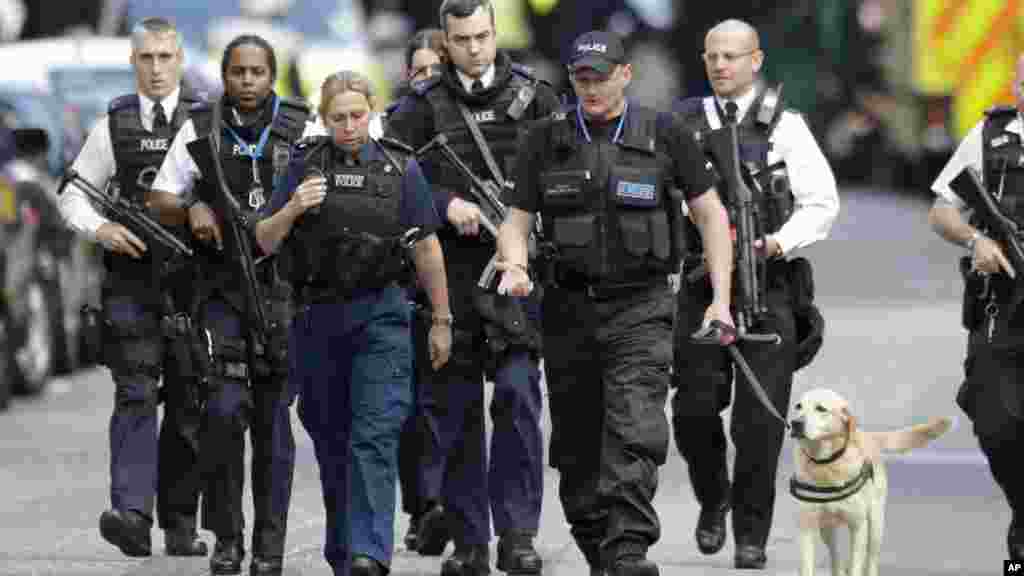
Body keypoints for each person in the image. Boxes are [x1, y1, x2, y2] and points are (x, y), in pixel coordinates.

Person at [496, 29, 735, 576]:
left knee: (634, 426)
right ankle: (598, 545)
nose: (590, 88)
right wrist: (514, 264)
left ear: (625, 74)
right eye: (581, 78)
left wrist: (720, 299)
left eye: (600, 77)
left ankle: (629, 548)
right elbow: (516, 220)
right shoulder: (544, 138)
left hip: (642, 307)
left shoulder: (665, 134)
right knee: (578, 446)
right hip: (567, 309)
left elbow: (711, 216)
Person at [255, 69, 452, 576]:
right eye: (338, 117)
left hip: (382, 315)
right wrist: (295, 207)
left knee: (376, 433)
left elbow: (428, 247)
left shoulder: (399, 169)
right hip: (317, 317)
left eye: (358, 115)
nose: (349, 125)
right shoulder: (303, 165)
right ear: (324, 120)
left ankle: (370, 553)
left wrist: (441, 319)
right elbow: (264, 240)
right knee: (331, 437)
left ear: (372, 113)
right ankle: (345, 551)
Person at [386, 1, 560, 574]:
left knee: (516, 397)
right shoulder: (418, 108)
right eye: (462, 40)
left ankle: (518, 535)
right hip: (450, 278)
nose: (476, 49)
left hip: (516, 277)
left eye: (483, 36)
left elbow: (567, 177)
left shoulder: (535, 97)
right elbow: (389, 186)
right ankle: (470, 541)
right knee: (455, 411)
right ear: (446, 40)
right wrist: (443, 203)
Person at [669, 19, 839, 570]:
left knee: (759, 424)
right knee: (693, 411)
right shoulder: (682, 124)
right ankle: (713, 497)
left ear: (756, 60)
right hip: (700, 285)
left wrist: (776, 242)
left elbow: (821, 202)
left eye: (732, 56)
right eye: (712, 56)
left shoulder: (784, 126)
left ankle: (750, 533)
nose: (721, 66)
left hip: (770, 286)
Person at [147, 34, 313, 576]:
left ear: (272, 76)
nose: (247, 81)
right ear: (224, 75)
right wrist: (194, 204)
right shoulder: (199, 129)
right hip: (219, 292)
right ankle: (227, 539)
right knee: (221, 414)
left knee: (273, 426)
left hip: (284, 293)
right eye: (237, 72)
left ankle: (269, 548)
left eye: (257, 72)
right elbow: (159, 197)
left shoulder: (301, 128)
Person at [57, 16, 208, 559]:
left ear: (180, 60)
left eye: (166, 57)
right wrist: (101, 229)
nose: (157, 68)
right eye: (147, 58)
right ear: (134, 62)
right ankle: (131, 514)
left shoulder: (202, 121)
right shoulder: (114, 126)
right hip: (132, 284)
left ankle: (181, 523)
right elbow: (72, 195)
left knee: (191, 403)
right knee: (137, 394)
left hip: (192, 286)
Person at [929, 52, 1024, 564]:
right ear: (1016, 82)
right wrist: (975, 241)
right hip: (1001, 312)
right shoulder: (991, 139)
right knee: (996, 424)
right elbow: (942, 209)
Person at [390, 26, 447, 553]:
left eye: (437, 70)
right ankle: (425, 507)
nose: (427, 80)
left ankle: (450, 501)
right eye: (420, 71)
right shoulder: (394, 126)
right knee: (414, 402)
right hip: (409, 276)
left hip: (466, 272)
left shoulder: (465, 123)